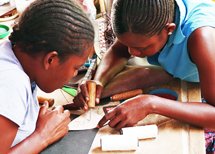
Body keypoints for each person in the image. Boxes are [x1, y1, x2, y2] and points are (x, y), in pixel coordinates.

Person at [68, 0, 215, 152]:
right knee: (136, 77)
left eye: (141, 47)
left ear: (169, 29)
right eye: (129, 45)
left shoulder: (201, 38)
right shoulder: (144, 16)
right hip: (193, 66)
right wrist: (98, 81)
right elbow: (119, 51)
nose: (132, 53)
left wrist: (151, 104)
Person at [0, 0, 94, 153]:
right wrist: (43, 135)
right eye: (75, 68)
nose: (75, 75)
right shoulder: (12, 82)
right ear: (51, 59)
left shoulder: (15, 55)